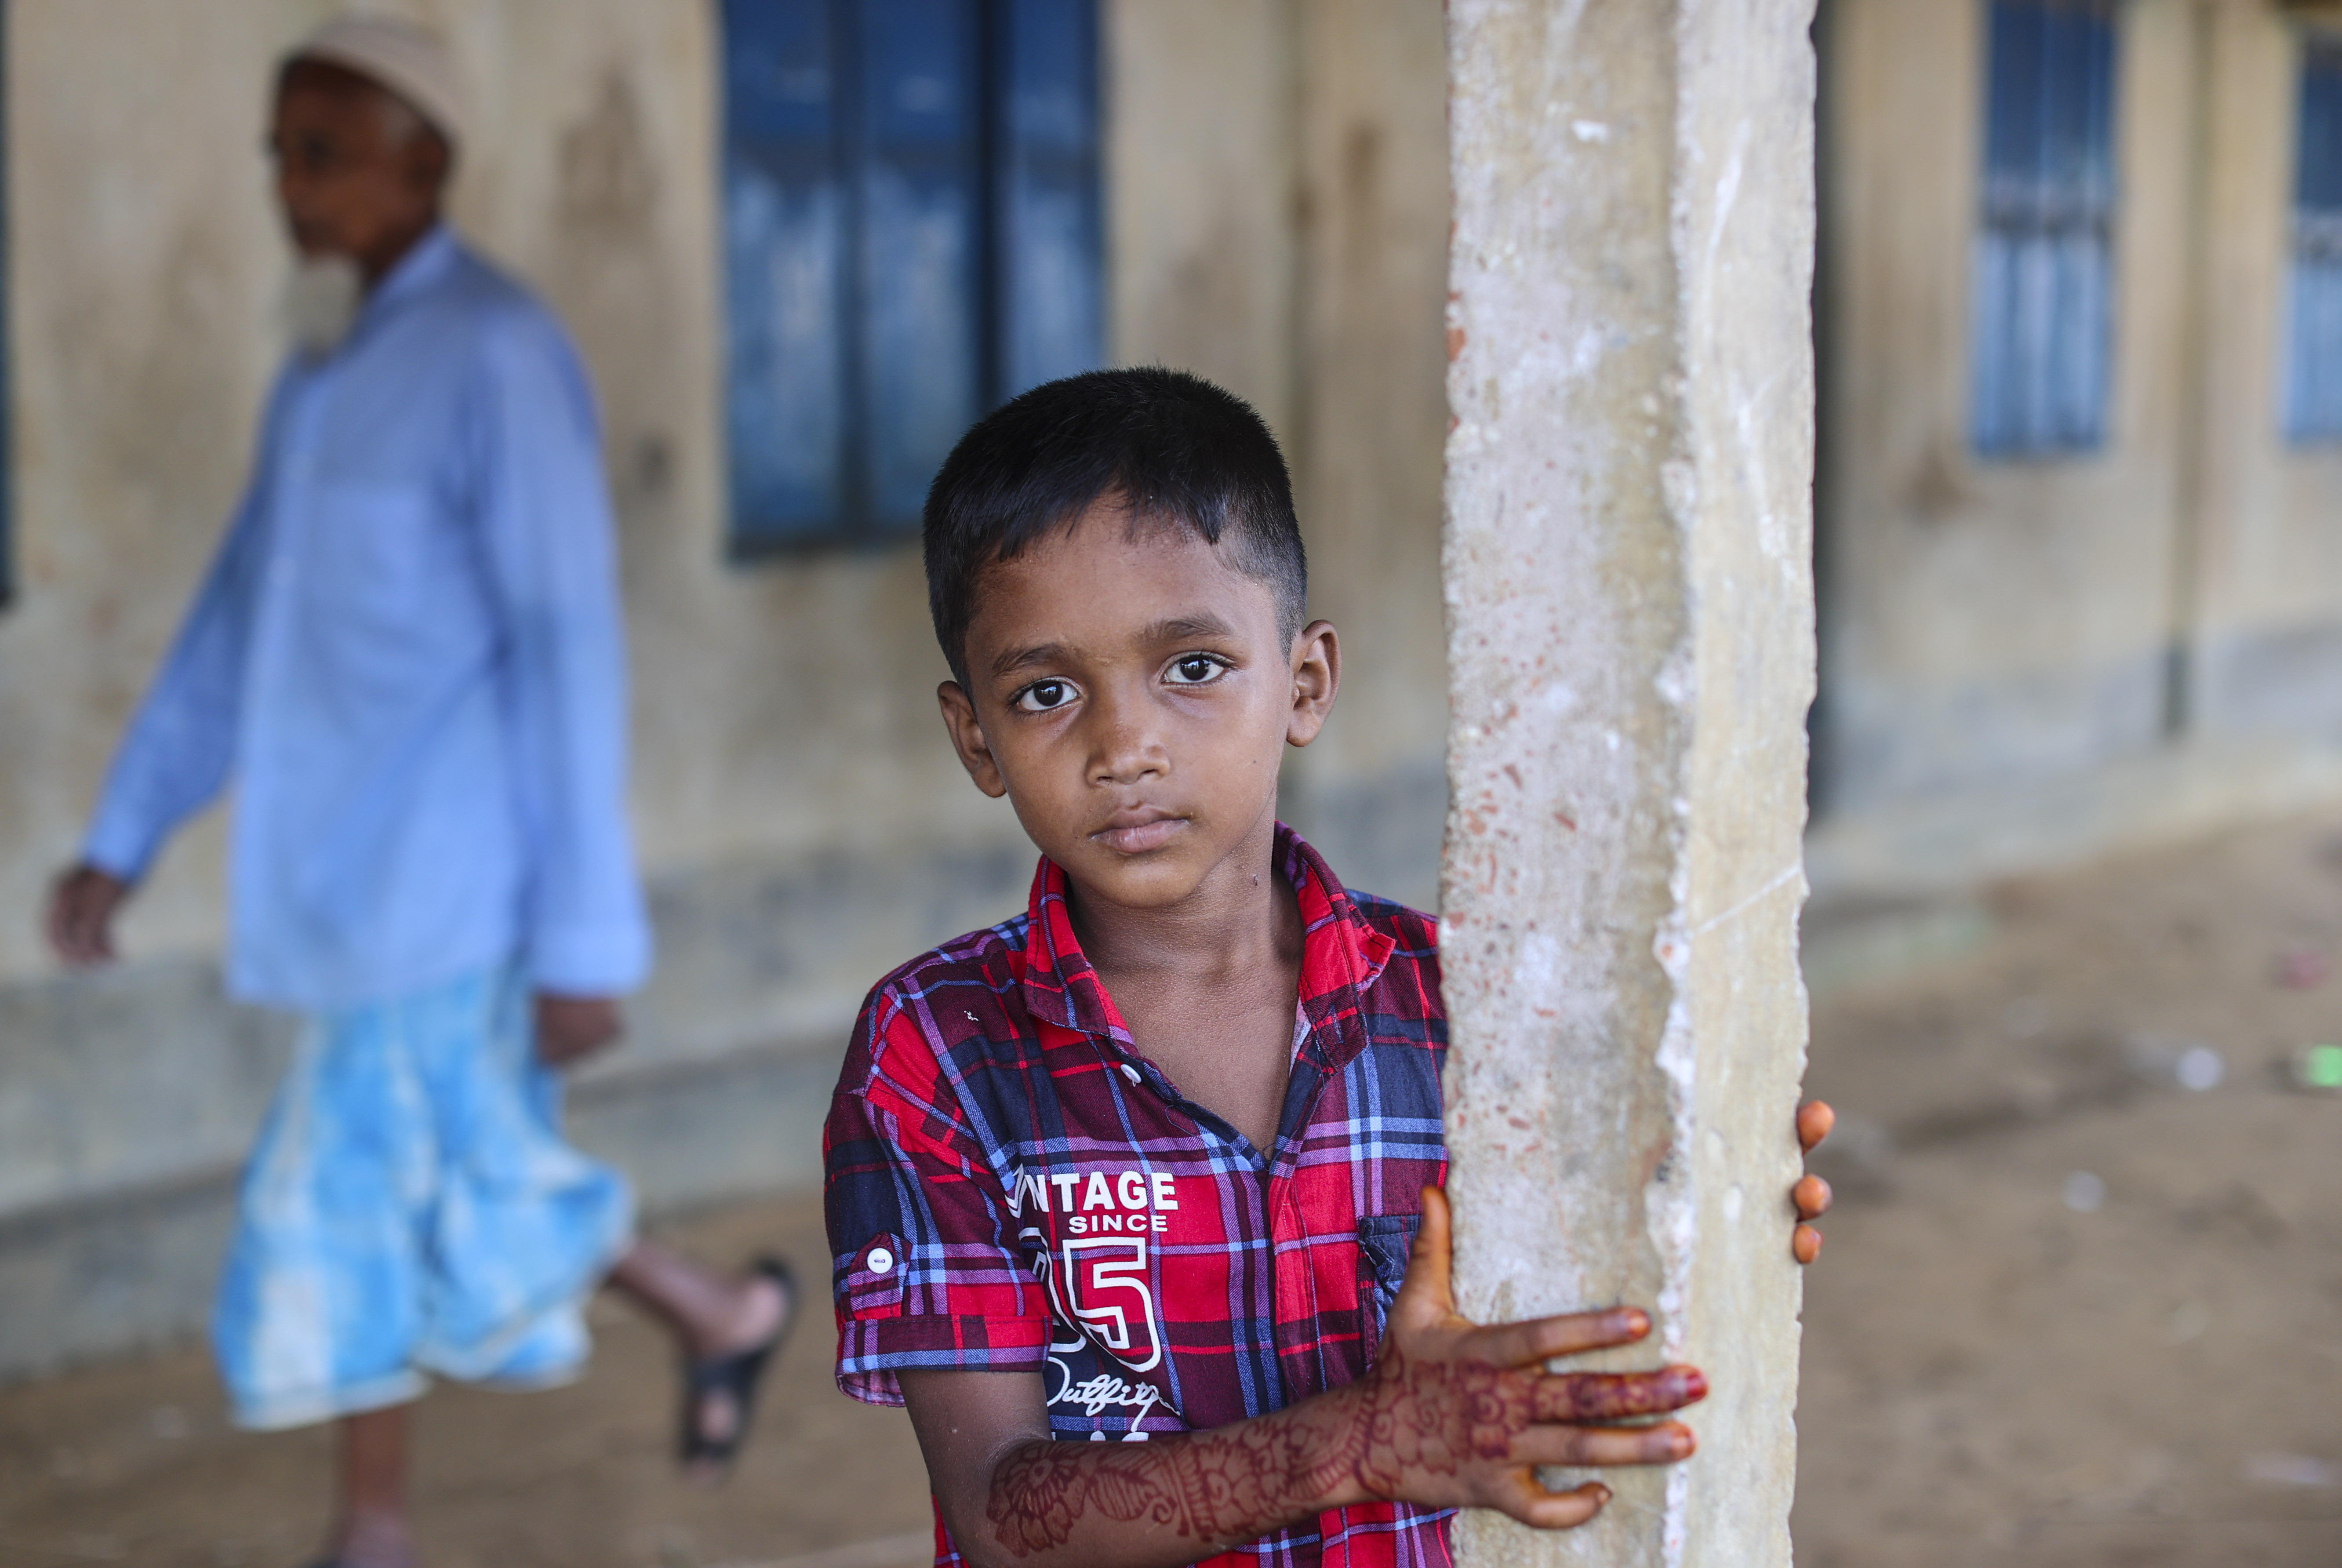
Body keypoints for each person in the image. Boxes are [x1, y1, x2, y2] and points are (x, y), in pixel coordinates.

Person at [822, 367, 1837, 1567]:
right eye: (1046, 692)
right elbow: (1000, 1514)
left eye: (1193, 667)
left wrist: (1716, 1201)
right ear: (975, 739)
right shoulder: (936, 1053)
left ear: (1304, 684)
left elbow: (1618, 1291)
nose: (1124, 746)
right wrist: (1362, 1443)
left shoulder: (1469, 1007)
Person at [42, 19, 790, 1568]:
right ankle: (721, 1313)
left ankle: (374, 1530)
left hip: (453, 886)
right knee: (464, 1182)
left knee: (351, 1186)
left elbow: (567, 649)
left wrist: (586, 940)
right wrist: (122, 838)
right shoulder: (320, 371)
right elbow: (232, 625)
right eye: (279, 156)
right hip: (336, 877)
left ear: (425, 161)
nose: (290, 187)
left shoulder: (497, 354)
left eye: (323, 154)